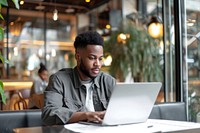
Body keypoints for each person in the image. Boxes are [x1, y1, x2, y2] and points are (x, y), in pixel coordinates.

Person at [42, 31, 116, 125]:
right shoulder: (59, 80)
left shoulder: (108, 81)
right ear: (78, 57)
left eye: (100, 58)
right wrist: (86, 115)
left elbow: (123, 110)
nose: (97, 64)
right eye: (92, 58)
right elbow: (49, 114)